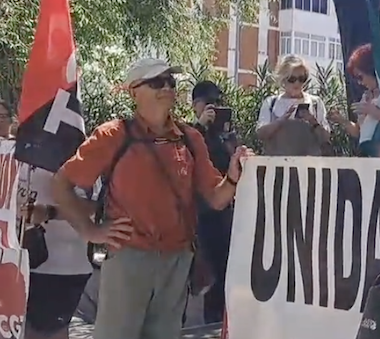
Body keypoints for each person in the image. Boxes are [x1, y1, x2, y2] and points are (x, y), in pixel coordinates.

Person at [50, 57, 252, 339]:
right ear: (134, 91)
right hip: (128, 258)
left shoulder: (191, 138)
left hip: (177, 260)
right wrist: (91, 230)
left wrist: (233, 176)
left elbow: (217, 198)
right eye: (157, 82)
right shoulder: (113, 134)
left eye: (171, 82)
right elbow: (61, 184)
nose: (167, 88)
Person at [17, 163, 100, 339]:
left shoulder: (70, 141)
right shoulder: (11, 148)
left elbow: (94, 208)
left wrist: (49, 212)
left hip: (58, 267)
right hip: (16, 262)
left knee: (43, 332)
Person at [190, 80, 236, 324]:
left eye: (217, 103)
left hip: (223, 209)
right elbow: (184, 152)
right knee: (199, 270)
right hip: (198, 212)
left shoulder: (223, 133)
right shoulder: (189, 131)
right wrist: (201, 126)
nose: (213, 108)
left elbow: (234, 161)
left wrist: (229, 138)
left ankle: (216, 321)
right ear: (195, 105)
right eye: (208, 103)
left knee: (222, 269)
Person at [256, 55, 330, 156]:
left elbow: (326, 138)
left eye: (302, 78)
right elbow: (261, 134)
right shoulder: (271, 103)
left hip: (309, 168)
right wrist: (282, 120)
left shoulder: (315, 103)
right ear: (283, 79)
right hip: (278, 167)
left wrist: (313, 122)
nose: (297, 83)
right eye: (292, 79)